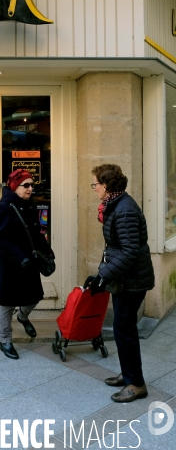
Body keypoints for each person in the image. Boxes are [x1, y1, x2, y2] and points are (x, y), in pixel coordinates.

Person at [89, 164, 155, 403]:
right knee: (122, 328)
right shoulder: (116, 204)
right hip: (125, 278)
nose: (94, 188)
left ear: (106, 186)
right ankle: (129, 375)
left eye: (95, 184)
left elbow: (128, 252)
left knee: (124, 330)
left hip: (132, 280)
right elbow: (116, 248)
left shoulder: (124, 210)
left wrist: (104, 276)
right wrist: (103, 274)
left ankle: (136, 384)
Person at [0, 169, 54, 359]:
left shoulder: (29, 205)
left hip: (30, 261)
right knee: (7, 304)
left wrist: (48, 253)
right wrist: (19, 257)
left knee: (34, 297)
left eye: (31, 185)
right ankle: (5, 340)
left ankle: (23, 317)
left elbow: (36, 233)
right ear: (14, 186)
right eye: (25, 185)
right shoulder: (4, 207)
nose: (30, 189)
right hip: (12, 262)